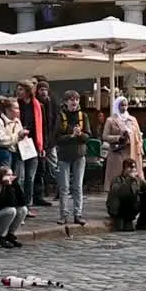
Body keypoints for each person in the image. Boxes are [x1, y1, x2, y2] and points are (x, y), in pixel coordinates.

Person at [56, 90, 91, 225]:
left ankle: (78, 214)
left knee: (78, 186)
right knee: (64, 187)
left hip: (79, 154)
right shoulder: (61, 116)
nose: (74, 102)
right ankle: (63, 215)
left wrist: (80, 134)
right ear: (66, 102)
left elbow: (88, 136)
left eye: (76, 99)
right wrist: (71, 136)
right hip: (64, 155)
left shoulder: (84, 116)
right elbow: (57, 137)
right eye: (71, 99)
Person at [15, 80, 45, 211]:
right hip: (18, 143)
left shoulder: (37, 105)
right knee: (20, 177)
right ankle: (20, 204)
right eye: (18, 89)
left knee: (30, 177)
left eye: (21, 89)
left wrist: (42, 146)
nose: (18, 91)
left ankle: (28, 204)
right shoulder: (16, 104)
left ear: (28, 91)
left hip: (32, 143)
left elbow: (42, 126)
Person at [102, 96, 143, 190]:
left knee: (132, 176)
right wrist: (118, 138)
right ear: (117, 106)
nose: (124, 107)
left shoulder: (132, 119)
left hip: (132, 151)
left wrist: (139, 147)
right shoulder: (110, 120)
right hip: (118, 152)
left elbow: (139, 135)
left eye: (126, 105)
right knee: (117, 177)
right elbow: (105, 136)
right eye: (122, 105)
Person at [108, 157, 146, 231]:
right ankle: (124, 220)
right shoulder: (117, 180)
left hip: (132, 207)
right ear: (124, 169)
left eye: (134, 168)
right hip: (119, 208)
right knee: (129, 196)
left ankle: (143, 221)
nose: (132, 170)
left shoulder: (137, 180)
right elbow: (120, 193)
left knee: (145, 195)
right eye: (129, 167)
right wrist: (129, 180)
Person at [0, 165, 28, 248]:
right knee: (11, 210)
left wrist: (15, 184)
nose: (11, 177)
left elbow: (22, 202)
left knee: (23, 209)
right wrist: (7, 185)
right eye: (8, 175)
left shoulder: (12, 185)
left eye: (11, 175)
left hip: (5, 215)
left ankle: (10, 234)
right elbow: (9, 203)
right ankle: (1, 236)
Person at [32, 82, 58, 206]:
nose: (43, 92)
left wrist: (49, 140)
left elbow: (52, 122)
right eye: (41, 89)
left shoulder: (50, 103)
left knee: (44, 168)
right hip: (37, 140)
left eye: (45, 90)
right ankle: (35, 196)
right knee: (36, 169)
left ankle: (40, 194)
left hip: (48, 140)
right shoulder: (36, 104)